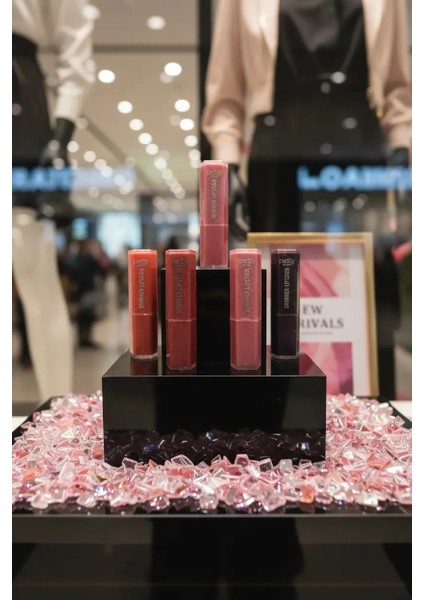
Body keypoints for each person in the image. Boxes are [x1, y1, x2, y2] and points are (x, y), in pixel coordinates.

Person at [201, 0, 411, 399]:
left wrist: (402, 151)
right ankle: (278, 408)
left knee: (363, 292)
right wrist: (226, 168)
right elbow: (226, 92)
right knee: (279, 290)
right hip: (278, 149)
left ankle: (367, 413)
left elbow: (398, 86)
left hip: (360, 147)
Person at [12, 0, 96, 399]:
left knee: (36, 270)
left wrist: (60, 136)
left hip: (17, 95)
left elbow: (75, 37)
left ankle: (58, 409)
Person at [68, 240, 109, 349]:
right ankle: (86, 339)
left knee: (82, 316)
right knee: (88, 316)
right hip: (88, 290)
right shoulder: (90, 259)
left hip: (80, 290)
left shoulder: (76, 258)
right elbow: (102, 271)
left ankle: (82, 339)